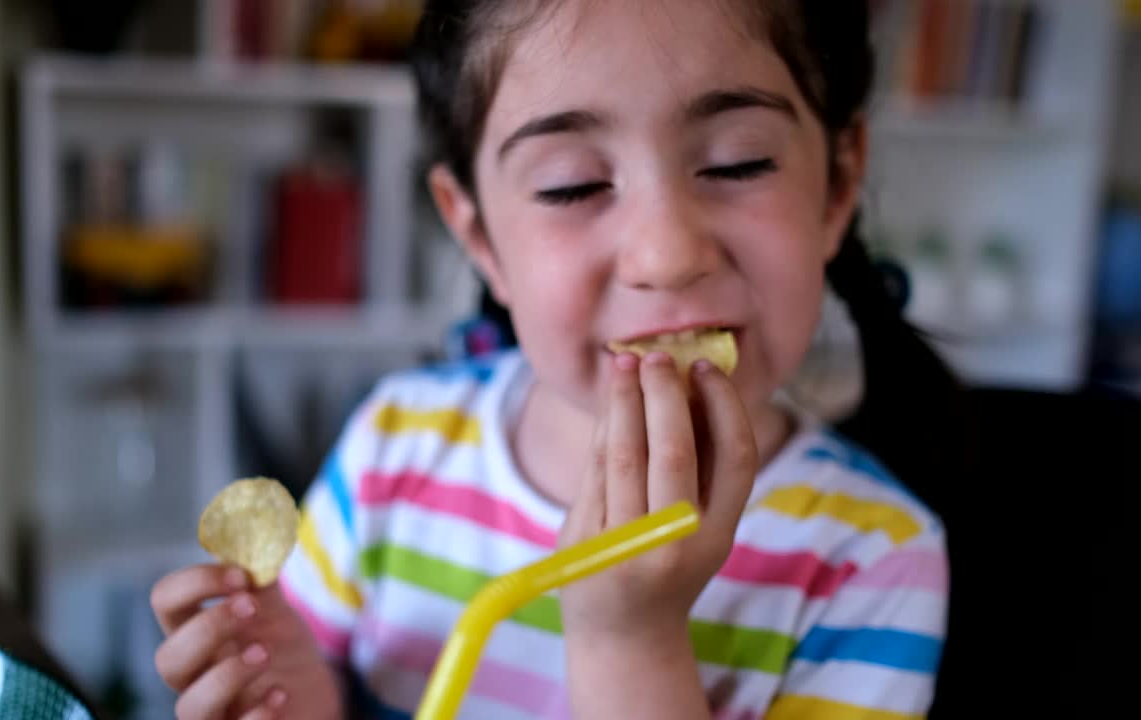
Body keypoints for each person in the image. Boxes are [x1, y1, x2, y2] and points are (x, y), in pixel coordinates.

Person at [150, 1, 959, 717]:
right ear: (478, 238)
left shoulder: (874, 559)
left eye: (737, 163)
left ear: (837, 185)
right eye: (572, 185)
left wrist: (629, 642)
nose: (666, 253)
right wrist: (299, 696)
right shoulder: (392, 447)